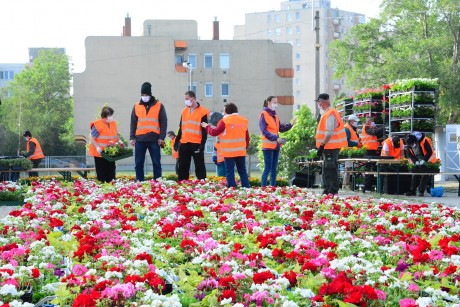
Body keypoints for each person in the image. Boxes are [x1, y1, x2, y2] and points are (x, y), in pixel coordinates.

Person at [202, 102, 250, 188]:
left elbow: (214, 132)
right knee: (242, 171)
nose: (223, 113)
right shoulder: (244, 120)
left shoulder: (224, 121)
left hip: (229, 152)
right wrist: (244, 148)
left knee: (230, 171)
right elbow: (247, 137)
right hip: (241, 152)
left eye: (224, 111)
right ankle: (246, 189)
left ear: (227, 111)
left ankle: (232, 189)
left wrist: (206, 126)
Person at [130, 82, 168, 181]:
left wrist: (162, 137)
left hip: (154, 139)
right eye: (142, 95)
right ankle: (139, 181)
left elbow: (163, 122)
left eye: (146, 95)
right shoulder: (136, 106)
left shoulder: (159, 105)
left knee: (156, 163)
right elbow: (133, 123)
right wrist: (132, 138)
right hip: (139, 139)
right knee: (138, 163)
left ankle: (158, 181)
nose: (144, 97)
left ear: (150, 94)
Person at [315, 93, 348, 195]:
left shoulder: (330, 113)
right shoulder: (327, 113)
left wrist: (322, 145)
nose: (318, 104)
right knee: (327, 168)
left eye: (318, 102)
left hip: (330, 147)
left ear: (322, 102)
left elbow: (329, 132)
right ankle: (328, 189)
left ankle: (332, 190)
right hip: (329, 147)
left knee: (330, 169)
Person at [259, 96, 296, 187]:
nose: (276, 104)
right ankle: (263, 189)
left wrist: (290, 124)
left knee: (274, 169)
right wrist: (275, 138)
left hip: (275, 146)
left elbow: (280, 128)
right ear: (268, 102)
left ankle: (273, 188)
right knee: (267, 168)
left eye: (276, 102)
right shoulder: (264, 114)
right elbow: (264, 131)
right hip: (268, 146)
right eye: (274, 102)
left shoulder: (275, 116)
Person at [174, 90, 210, 181]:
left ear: (193, 99)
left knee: (200, 167)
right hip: (184, 143)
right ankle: (182, 184)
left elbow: (204, 130)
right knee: (182, 167)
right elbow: (181, 128)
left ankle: (202, 184)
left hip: (196, 143)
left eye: (187, 99)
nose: (185, 101)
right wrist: (176, 141)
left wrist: (203, 144)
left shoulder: (203, 112)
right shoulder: (184, 111)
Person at [89, 106, 120, 183]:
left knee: (111, 173)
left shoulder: (113, 124)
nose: (112, 117)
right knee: (102, 174)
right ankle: (102, 189)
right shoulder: (97, 125)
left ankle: (111, 188)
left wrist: (120, 142)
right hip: (100, 154)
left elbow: (115, 135)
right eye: (110, 115)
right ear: (104, 117)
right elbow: (92, 138)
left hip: (110, 153)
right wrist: (97, 147)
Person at [405, 132, 437, 196]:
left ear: (415, 141)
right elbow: (410, 155)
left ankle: (421, 191)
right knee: (415, 174)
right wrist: (415, 161)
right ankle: (413, 190)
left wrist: (424, 160)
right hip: (417, 160)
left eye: (412, 144)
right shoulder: (409, 145)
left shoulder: (424, 141)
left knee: (424, 174)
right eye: (410, 145)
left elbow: (429, 152)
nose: (411, 146)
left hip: (428, 159)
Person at [360, 117, 385, 193]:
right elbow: (374, 132)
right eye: (372, 121)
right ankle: (367, 187)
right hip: (368, 150)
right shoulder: (366, 127)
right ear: (369, 122)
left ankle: (371, 187)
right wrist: (383, 128)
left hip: (372, 150)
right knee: (369, 169)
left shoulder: (370, 127)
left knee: (373, 168)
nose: (373, 123)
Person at [342, 114, 362, 189]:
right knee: (348, 168)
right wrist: (357, 144)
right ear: (351, 121)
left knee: (352, 168)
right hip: (348, 151)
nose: (356, 122)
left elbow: (355, 138)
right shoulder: (347, 128)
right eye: (355, 121)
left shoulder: (353, 128)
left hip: (353, 150)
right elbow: (347, 142)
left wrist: (359, 141)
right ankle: (345, 185)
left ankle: (351, 185)